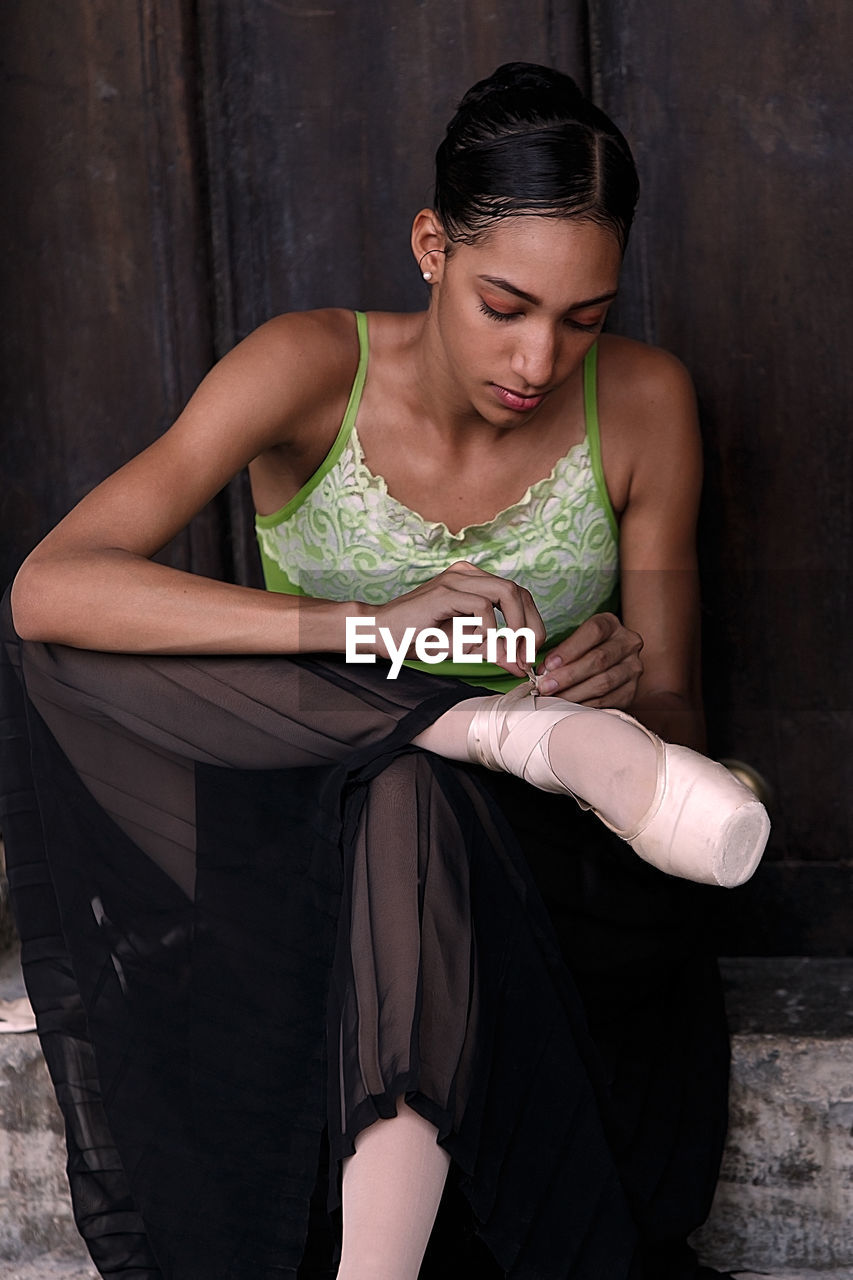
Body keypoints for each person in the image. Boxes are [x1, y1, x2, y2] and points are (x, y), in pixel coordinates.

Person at [2, 63, 767, 1280]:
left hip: (541, 875)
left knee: (415, 793)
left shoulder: (645, 400)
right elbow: (50, 583)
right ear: (430, 246)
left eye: (582, 317)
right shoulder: (307, 366)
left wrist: (621, 684)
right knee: (65, 648)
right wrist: (375, 630)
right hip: (308, 849)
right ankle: (466, 725)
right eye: (504, 303)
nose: (537, 356)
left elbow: (679, 714)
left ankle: (506, 742)